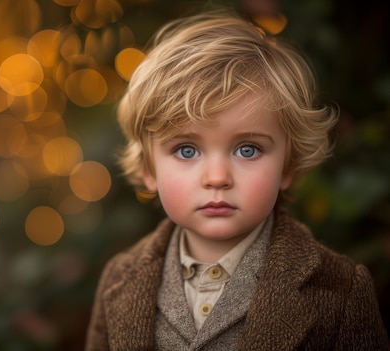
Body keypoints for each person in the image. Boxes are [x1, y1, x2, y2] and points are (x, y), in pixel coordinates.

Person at [85, 11, 390, 350]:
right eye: (186, 150)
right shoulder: (119, 278)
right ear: (148, 168)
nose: (217, 178)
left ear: (287, 166)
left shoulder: (341, 291)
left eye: (247, 149)